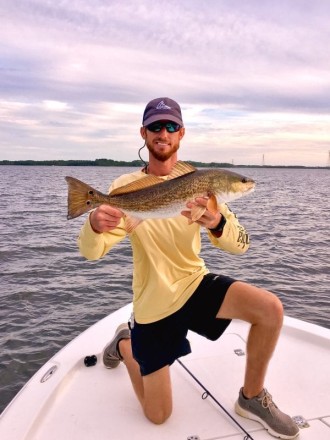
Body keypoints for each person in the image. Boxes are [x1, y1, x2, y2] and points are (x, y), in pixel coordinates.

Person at [77, 97, 299, 439]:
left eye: (170, 127)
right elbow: (92, 253)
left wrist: (217, 222)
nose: (162, 133)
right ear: (144, 133)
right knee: (158, 416)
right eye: (155, 127)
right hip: (153, 305)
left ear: (181, 134)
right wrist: (93, 224)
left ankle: (251, 397)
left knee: (270, 309)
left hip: (194, 285)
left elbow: (241, 245)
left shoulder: (202, 183)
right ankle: (125, 342)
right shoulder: (124, 188)